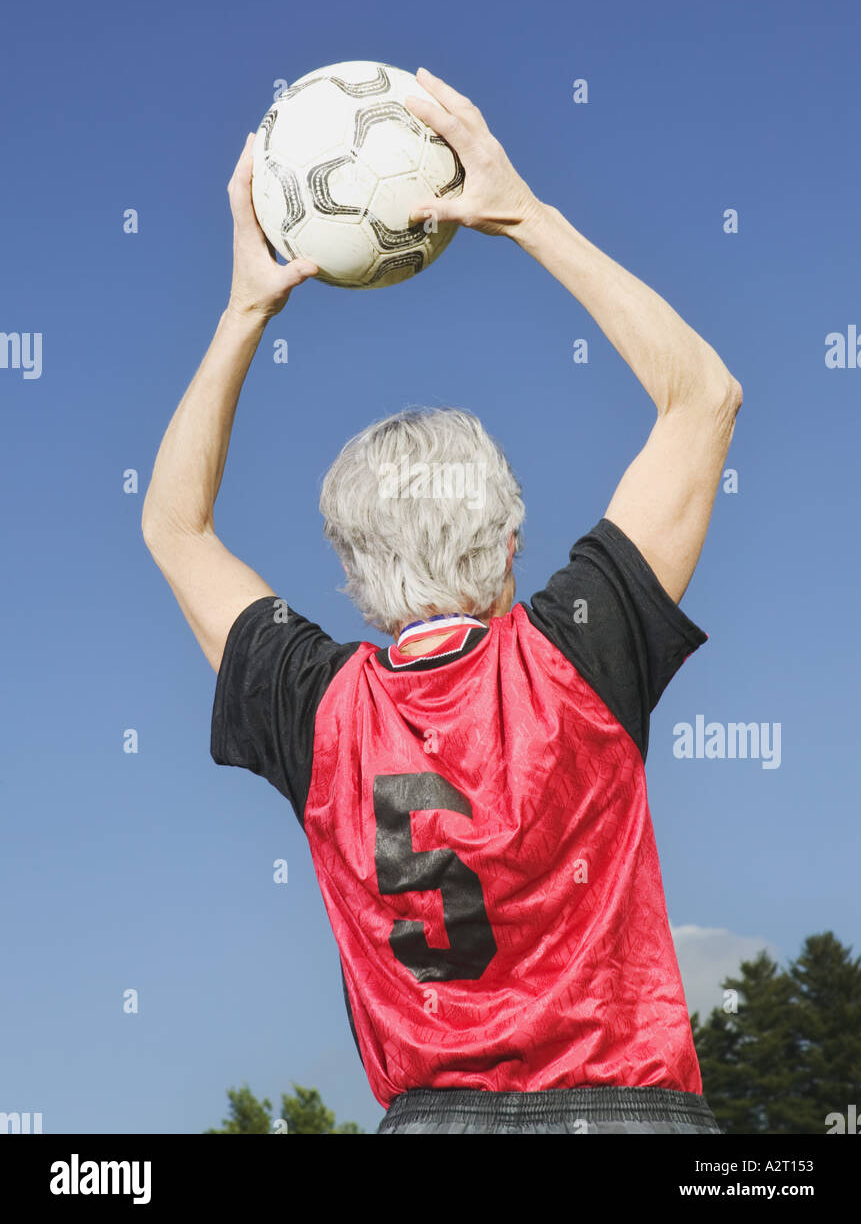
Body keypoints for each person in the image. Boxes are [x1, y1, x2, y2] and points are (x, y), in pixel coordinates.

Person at [142, 67, 742, 1135]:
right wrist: (525, 215)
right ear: (512, 541)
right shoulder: (580, 650)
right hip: (631, 1112)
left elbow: (172, 528)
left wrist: (243, 312)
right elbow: (703, 395)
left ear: (350, 568)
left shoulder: (316, 709)